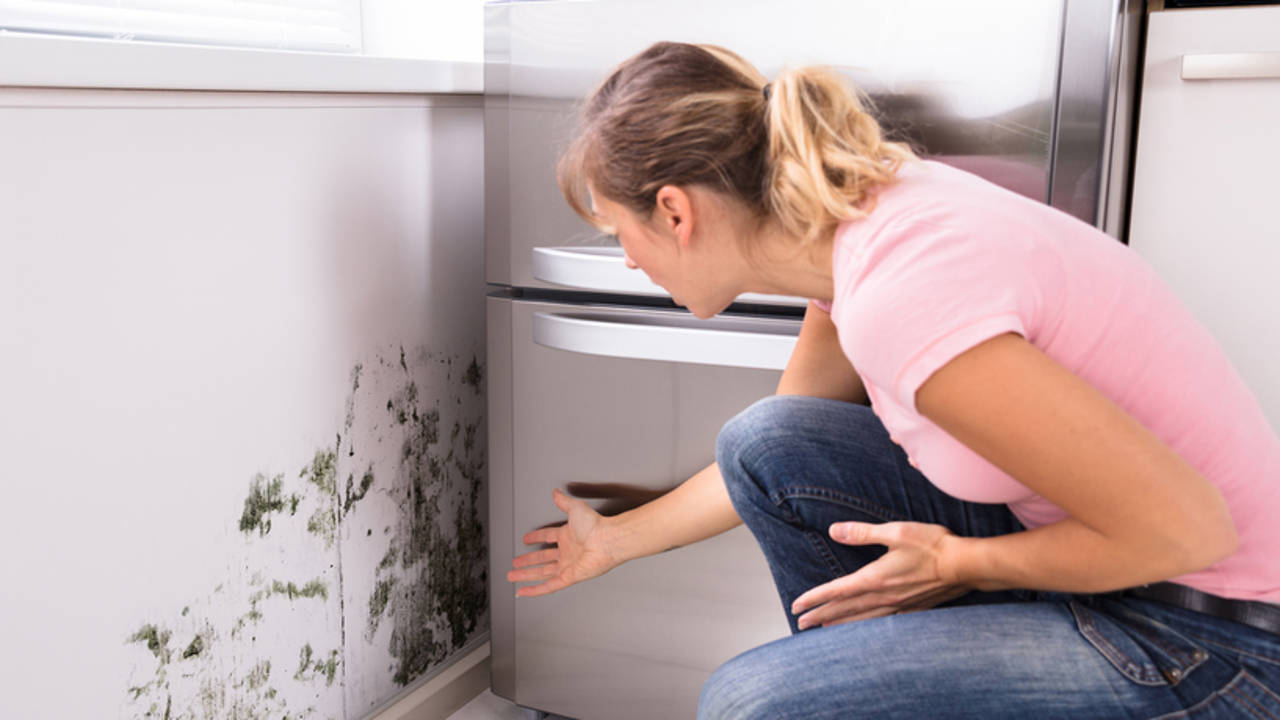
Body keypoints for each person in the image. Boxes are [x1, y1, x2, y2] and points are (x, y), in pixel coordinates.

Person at [505, 41, 1280, 718]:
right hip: (1119, 560)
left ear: (674, 211)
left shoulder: (902, 297)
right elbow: (774, 457)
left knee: (751, 704)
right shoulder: (852, 229)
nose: (630, 261)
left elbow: (1188, 531)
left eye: (619, 232)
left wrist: (956, 564)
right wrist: (614, 541)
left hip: (1216, 639)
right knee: (767, 443)